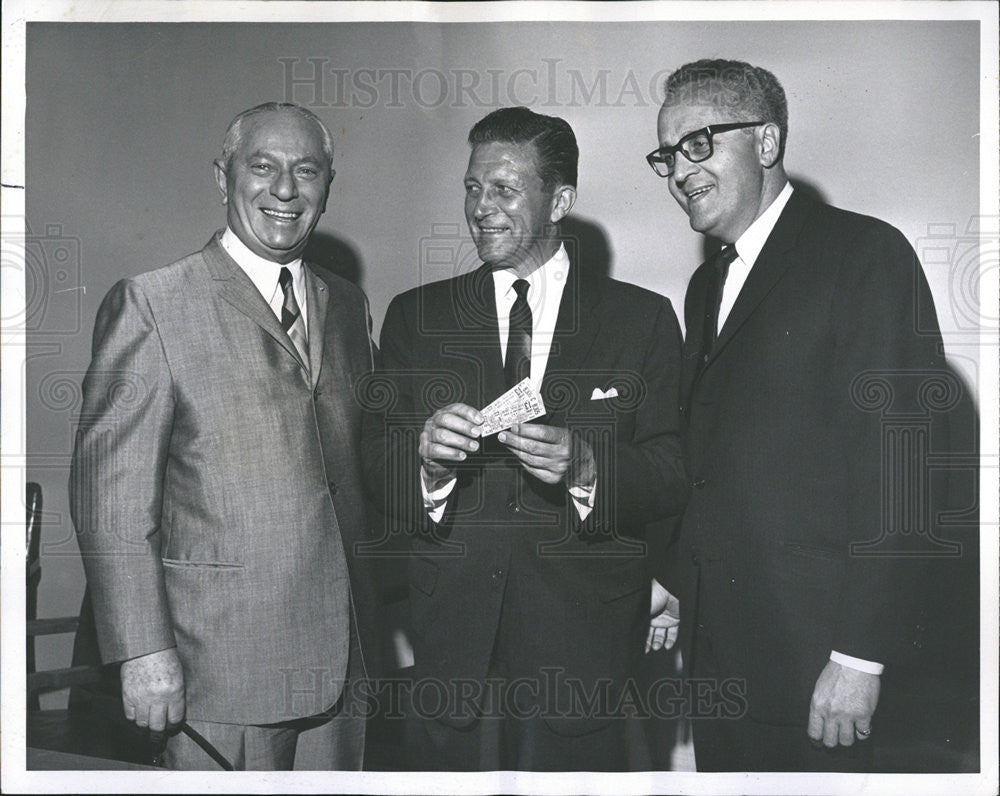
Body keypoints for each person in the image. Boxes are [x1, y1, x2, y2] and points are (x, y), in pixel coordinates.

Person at [645, 59, 967, 771]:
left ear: (765, 143)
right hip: (725, 672)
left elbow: (904, 470)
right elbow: (714, 467)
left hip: (823, 675)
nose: (678, 170)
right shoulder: (707, 286)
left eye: (699, 143)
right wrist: (674, 577)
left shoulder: (863, 252)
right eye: (667, 154)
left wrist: (861, 657)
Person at [362, 106, 688, 770]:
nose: (481, 208)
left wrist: (589, 467)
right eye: (472, 187)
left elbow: (673, 469)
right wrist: (427, 465)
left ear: (560, 200)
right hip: (451, 641)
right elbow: (375, 464)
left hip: (585, 643)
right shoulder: (416, 316)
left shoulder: (642, 320)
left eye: (504, 189)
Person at [70, 102, 378, 770]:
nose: (285, 190)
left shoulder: (348, 305)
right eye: (262, 168)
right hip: (218, 670)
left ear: (329, 185)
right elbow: (111, 502)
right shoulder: (153, 304)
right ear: (223, 176)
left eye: (307, 171)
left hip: (343, 671)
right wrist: (142, 652)